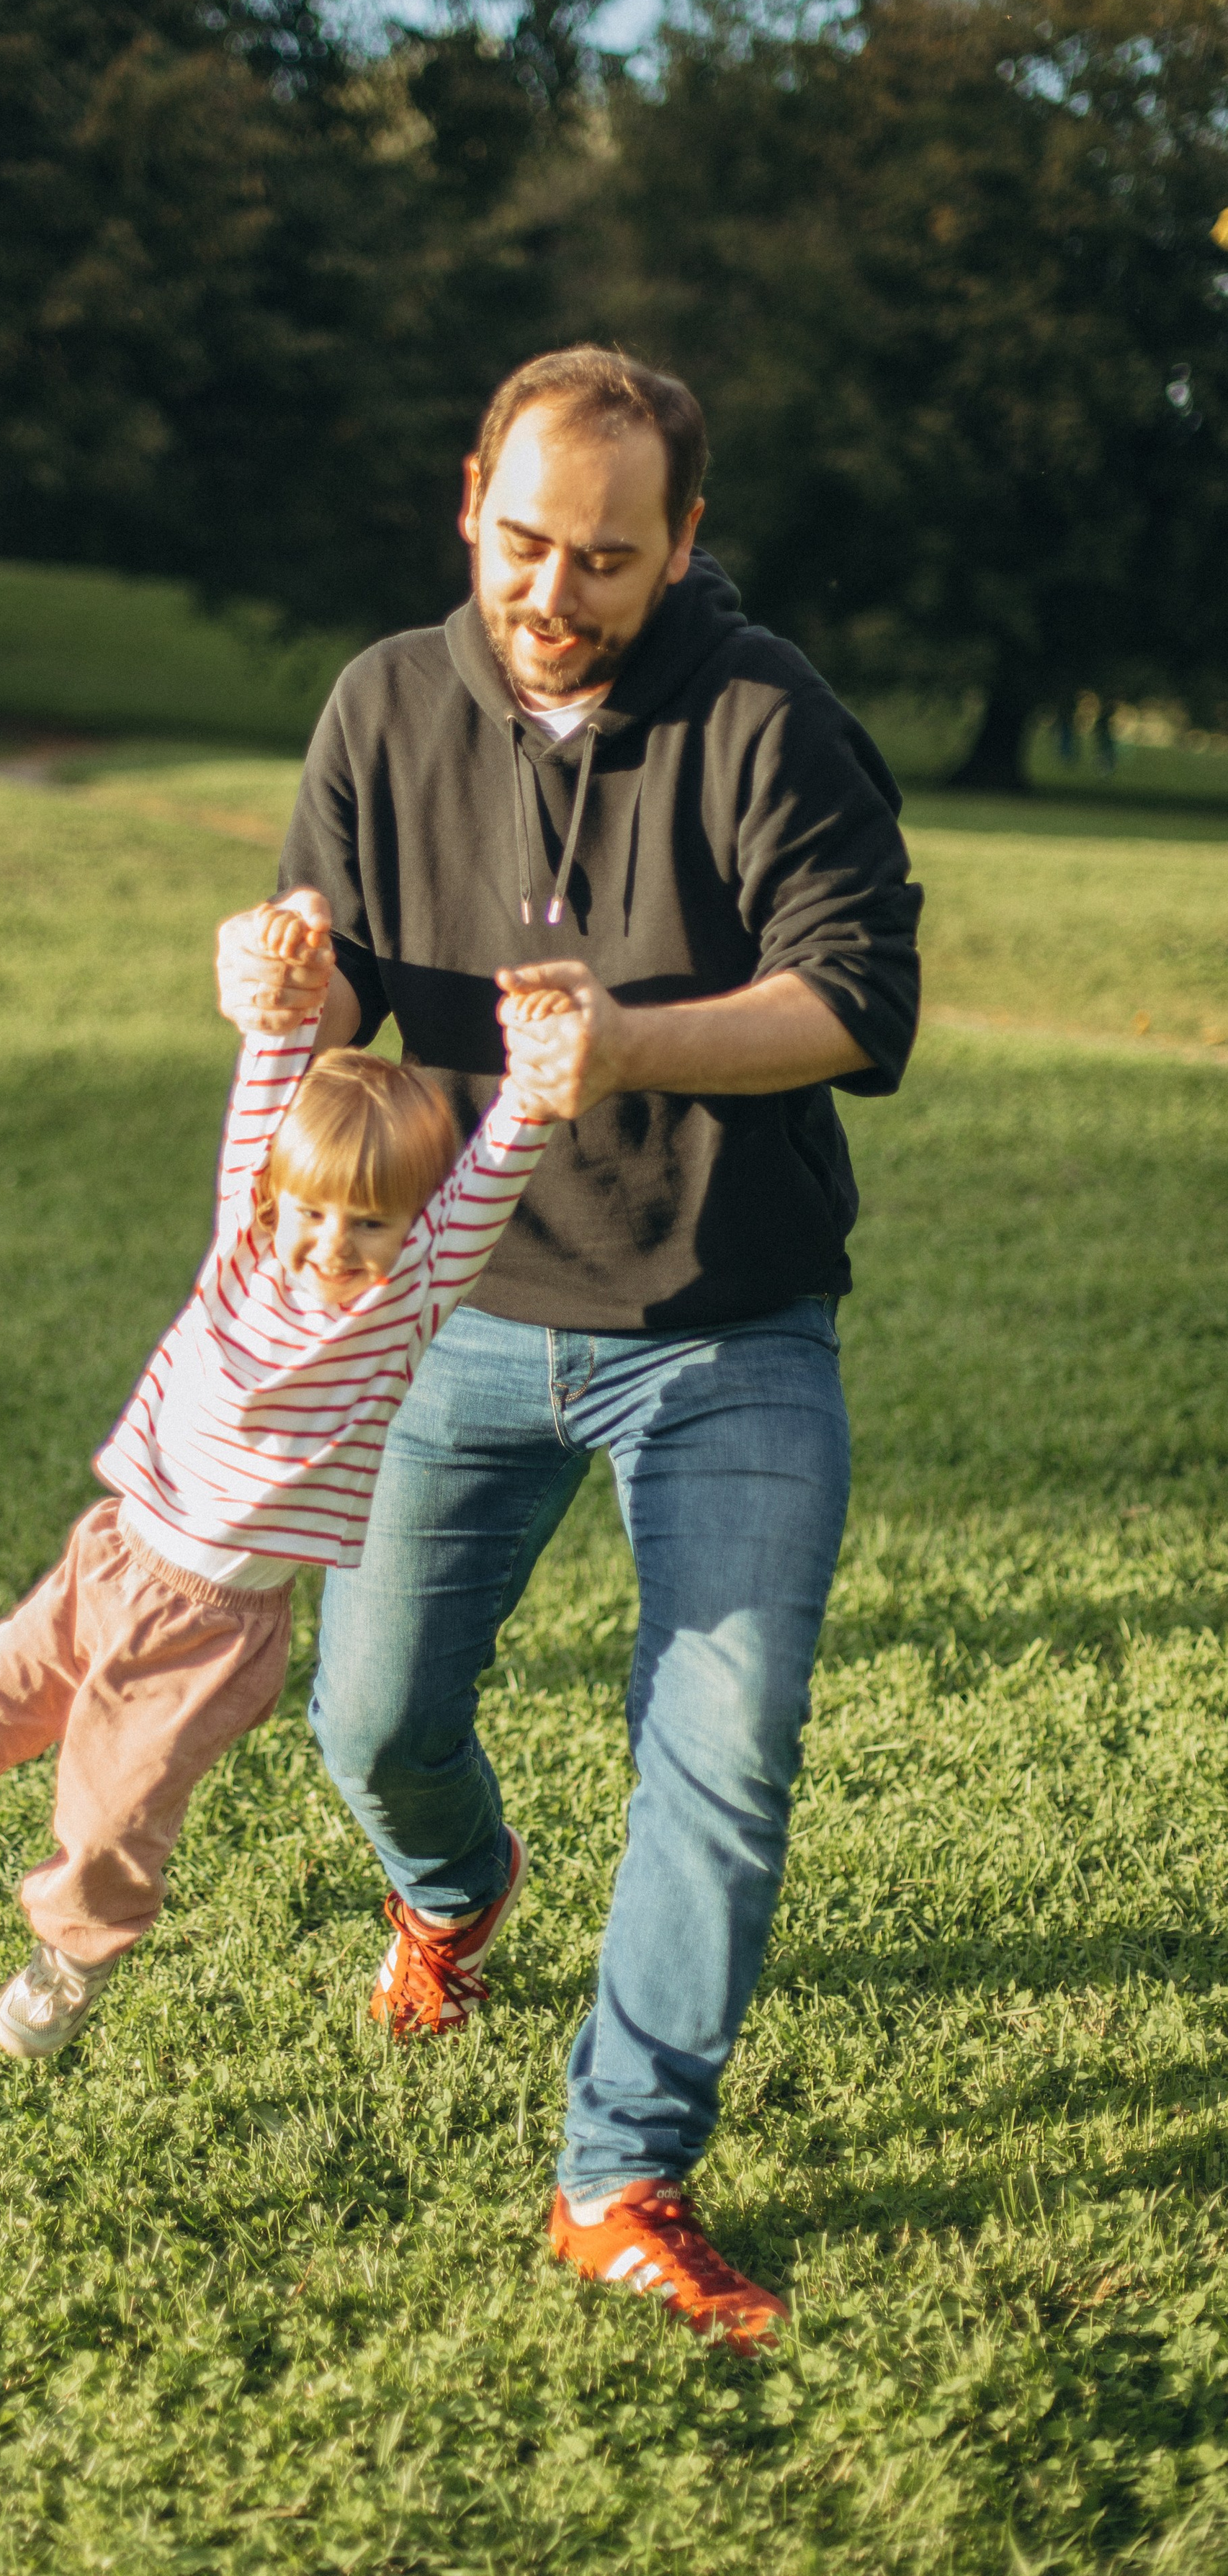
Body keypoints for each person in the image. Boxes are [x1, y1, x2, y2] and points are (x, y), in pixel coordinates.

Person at [215, 344, 923, 2353]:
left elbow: (860, 1005)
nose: (555, 588)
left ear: (681, 543)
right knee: (367, 1725)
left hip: (726, 1329)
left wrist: (630, 1039)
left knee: (724, 1744)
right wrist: (275, 978)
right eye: (526, 540)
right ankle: (455, 1887)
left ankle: (621, 2171)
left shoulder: (770, 715)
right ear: (471, 505)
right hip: (454, 1309)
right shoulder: (383, 701)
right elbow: (334, 979)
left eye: (608, 557)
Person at [0, 893, 589, 2060]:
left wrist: (534, 1083)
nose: (337, 1245)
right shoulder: (249, 1230)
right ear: (281, 1200)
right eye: (319, 1214)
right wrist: (288, 973)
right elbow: (267, 1081)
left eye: (372, 1226)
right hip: (116, 1551)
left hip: (215, 1623)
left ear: (415, 1233)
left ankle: (72, 1955)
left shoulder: (406, 1303)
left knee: (113, 1802)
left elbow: (490, 1174)